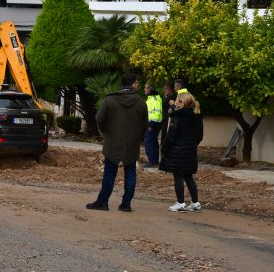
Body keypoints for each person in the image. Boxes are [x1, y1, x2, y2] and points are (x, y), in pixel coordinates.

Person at [86, 73, 148, 212]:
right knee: (130, 172)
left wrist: (106, 132)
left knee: (109, 172)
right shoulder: (140, 102)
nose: (137, 85)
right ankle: (126, 204)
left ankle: (103, 202)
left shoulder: (110, 100)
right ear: (132, 84)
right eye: (136, 83)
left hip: (112, 141)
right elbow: (145, 125)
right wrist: (138, 138)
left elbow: (100, 119)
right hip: (132, 143)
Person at [162, 92, 204, 212]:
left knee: (178, 176)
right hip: (190, 150)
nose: (175, 103)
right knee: (188, 176)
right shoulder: (197, 116)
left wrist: (164, 149)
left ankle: (180, 203)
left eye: (178, 101)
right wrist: (191, 145)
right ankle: (195, 202)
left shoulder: (178, 116)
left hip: (177, 151)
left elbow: (171, 136)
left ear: (183, 102)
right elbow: (200, 136)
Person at [143, 82, 164, 169]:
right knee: (153, 142)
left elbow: (156, 113)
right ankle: (154, 161)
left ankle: (152, 161)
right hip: (154, 123)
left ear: (150, 89)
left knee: (148, 142)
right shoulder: (151, 98)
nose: (144, 89)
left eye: (146, 88)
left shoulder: (154, 99)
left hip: (153, 124)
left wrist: (151, 125)